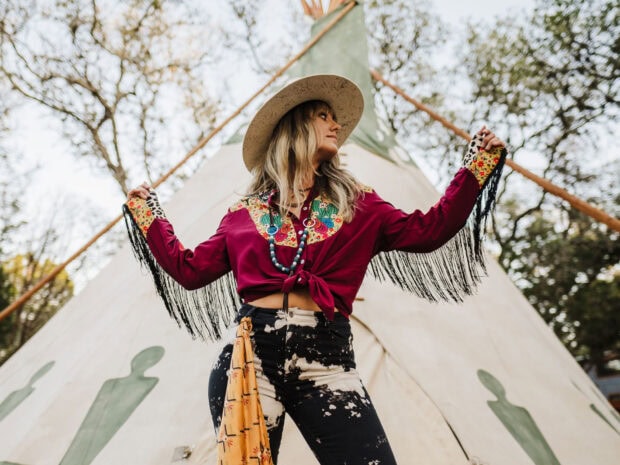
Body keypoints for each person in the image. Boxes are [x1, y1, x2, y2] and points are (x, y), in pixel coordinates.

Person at [124, 74, 507, 464]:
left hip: (328, 358)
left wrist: (475, 170)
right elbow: (190, 271)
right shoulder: (242, 215)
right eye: (323, 115)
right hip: (251, 356)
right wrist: (151, 216)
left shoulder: (358, 204)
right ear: (295, 127)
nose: (335, 124)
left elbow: (430, 230)